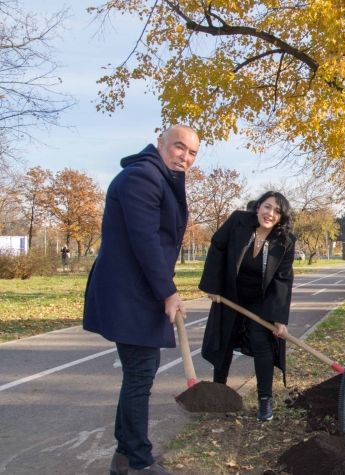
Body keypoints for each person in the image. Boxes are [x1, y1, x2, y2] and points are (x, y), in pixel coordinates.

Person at [83, 125, 199, 475]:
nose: (185, 157)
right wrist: (168, 292)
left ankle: (123, 457)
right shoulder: (143, 177)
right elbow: (144, 240)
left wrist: (165, 288)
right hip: (128, 294)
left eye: (192, 153)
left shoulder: (157, 176)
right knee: (140, 374)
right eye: (179, 147)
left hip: (137, 291)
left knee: (138, 374)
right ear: (160, 142)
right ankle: (139, 460)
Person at [200, 191, 296, 422]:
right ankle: (218, 393)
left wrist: (279, 319)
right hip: (230, 294)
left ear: (282, 217)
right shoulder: (238, 222)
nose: (270, 213)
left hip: (260, 299)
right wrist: (213, 286)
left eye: (277, 211)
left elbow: (283, 278)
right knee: (223, 342)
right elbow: (217, 247)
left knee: (262, 343)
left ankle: (265, 400)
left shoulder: (285, 241)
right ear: (257, 207)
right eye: (267, 206)